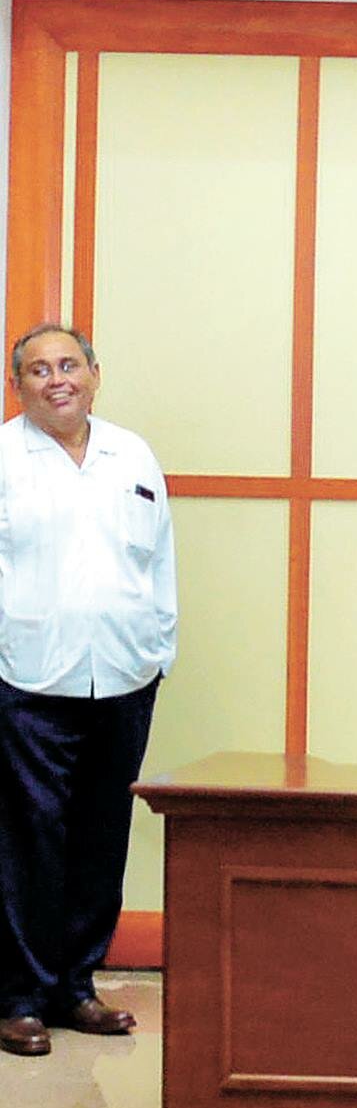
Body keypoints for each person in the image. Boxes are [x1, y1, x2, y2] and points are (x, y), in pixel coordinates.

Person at [0, 324, 177, 1059]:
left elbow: (159, 558)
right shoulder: (5, 458)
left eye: (69, 365)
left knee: (102, 835)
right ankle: (19, 997)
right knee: (28, 840)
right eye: (39, 370)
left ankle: (76, 987)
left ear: (95, 375)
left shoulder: (131, 454)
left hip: (125, 676)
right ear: (19, 386)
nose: (57, 380)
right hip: (29, 678)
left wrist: (158, 650)